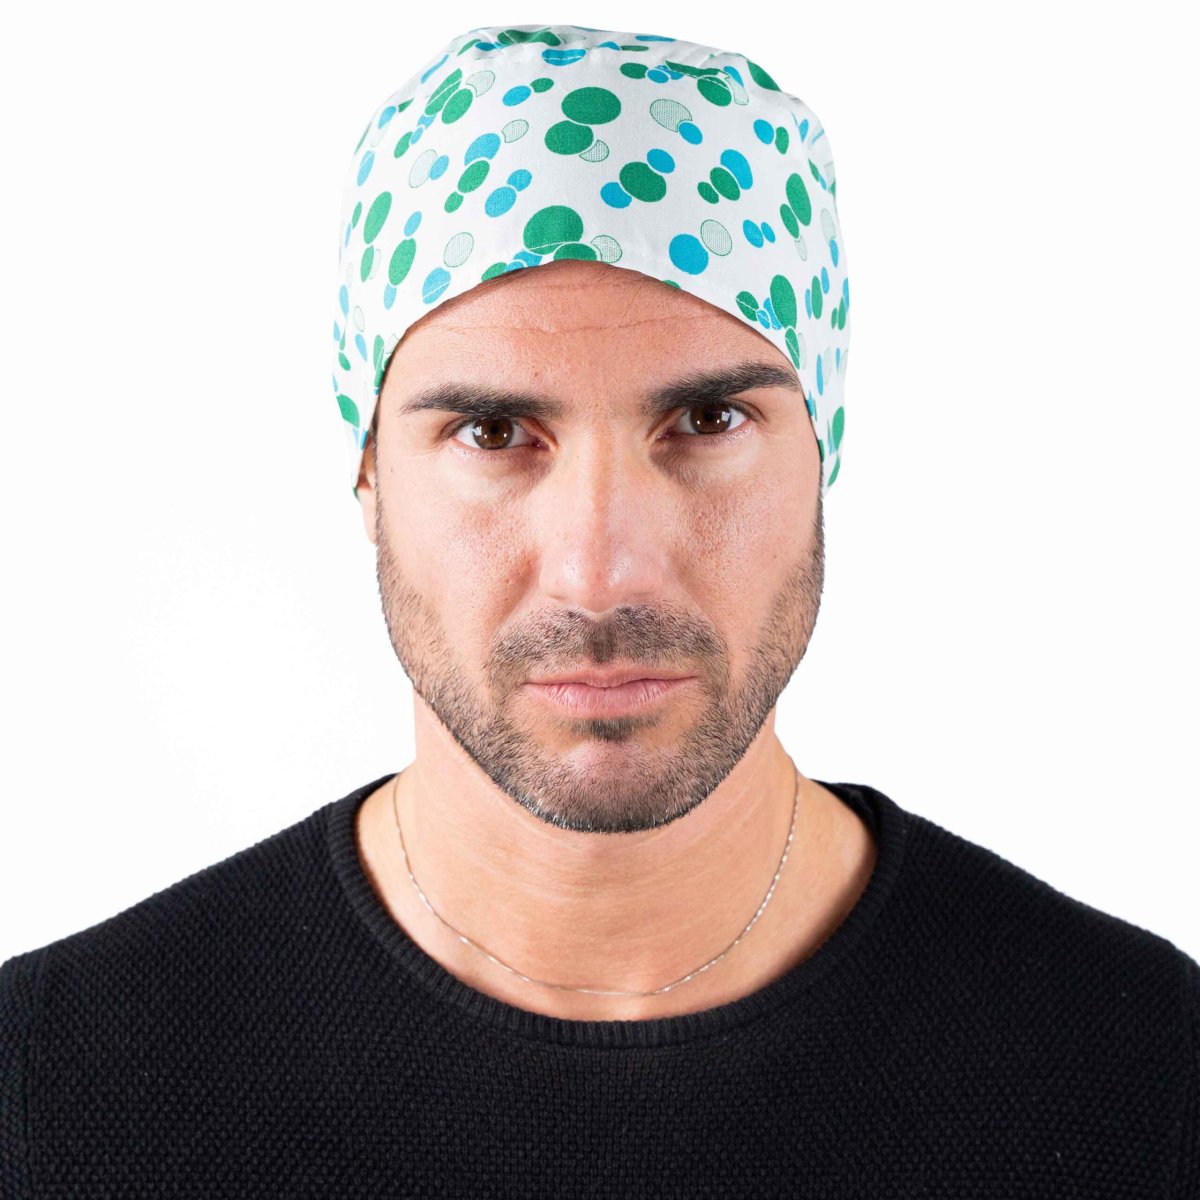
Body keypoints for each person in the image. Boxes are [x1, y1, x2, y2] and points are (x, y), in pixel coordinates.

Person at [1, 22, 1196, 1195]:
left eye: (709, 422)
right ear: (368, 473)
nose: (600, 573)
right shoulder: (52, 1091)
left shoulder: (1147, 1079)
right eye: (492, 432)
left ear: (823, 447)